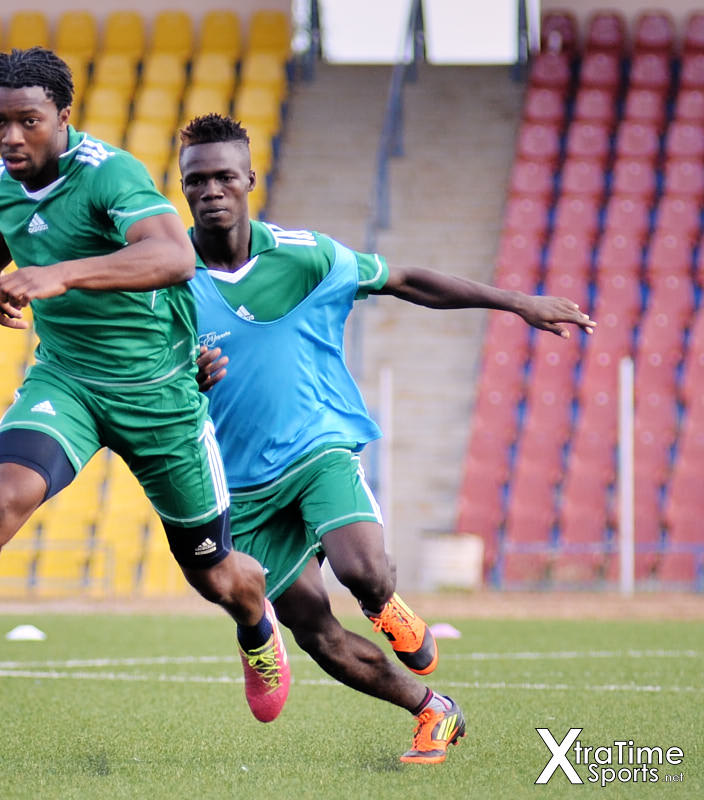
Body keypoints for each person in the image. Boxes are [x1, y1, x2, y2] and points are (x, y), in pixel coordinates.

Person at [0, 51, 290, 735]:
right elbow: (11, 224)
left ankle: (257, 626)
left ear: (64, 117)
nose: (10, 138)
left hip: (161, 397)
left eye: (28, 121)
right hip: (67, 381)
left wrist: (57, 276)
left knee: (215, 576)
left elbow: (174, 256)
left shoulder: (110, 174)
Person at [178, 114, 597, 763]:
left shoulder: (305, 254)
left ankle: (384, 603)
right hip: (242, 485)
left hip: (317, 448)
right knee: (317, 634)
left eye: (223, 176)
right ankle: (434, 711)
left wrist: (515, 301)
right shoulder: (165, 281)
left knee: (362, 570)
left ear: (249, 180)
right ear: (182, 188)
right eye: (196, 179)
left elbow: (403, 280)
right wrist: (185, 375)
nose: (210, 189)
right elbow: (150, 374)